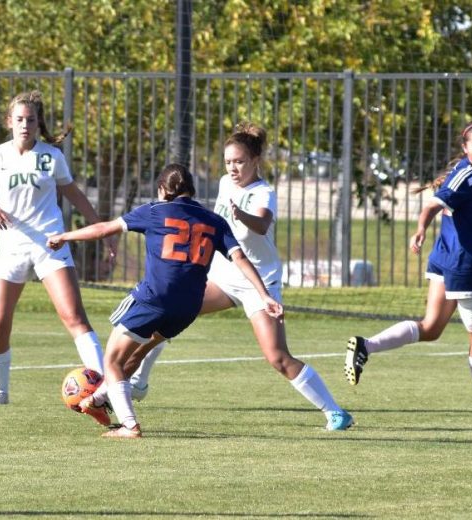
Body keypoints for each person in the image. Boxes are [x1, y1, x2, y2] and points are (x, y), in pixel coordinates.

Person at [126, 122, 354, 431]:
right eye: (229, 161)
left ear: (255, 160)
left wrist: (240, 215)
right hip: (222, 276)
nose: (233, 168)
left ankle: (335, 412)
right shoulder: (224, 183)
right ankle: (137, 382)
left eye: (240, 162)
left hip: (260, 282)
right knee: (168, 313)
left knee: (277, 357)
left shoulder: (265, 192)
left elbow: (260, 225)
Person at [46, 163, 283, 438]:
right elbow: (240, 259)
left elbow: (104, 228)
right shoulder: (214, 221)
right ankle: (98, 399)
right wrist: (264, 295)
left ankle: (129, 426)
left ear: (162, 190)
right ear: (192, 190)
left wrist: (65, 236)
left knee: (111, 360)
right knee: (135, 354)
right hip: (189, 306)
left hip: (154, 298)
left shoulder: (154, 211)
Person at [344, 119, 472, 417]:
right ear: (465, 148)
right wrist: (420, 230)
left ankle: (366, 346)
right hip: (467, 268)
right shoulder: (468, 176)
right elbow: (432, 204)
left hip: (445, 262)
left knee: (430, 328)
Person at [0, 90, 113, 406]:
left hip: (50, 243)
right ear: (9, 122)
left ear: (38, 123)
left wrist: (101, 229)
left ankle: (103, 388)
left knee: (74, 317)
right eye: (19, 119)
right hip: (12, 248)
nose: (25, 125)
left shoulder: (51, 156)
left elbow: (75, 194)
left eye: (30, 120)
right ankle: (0, 391)